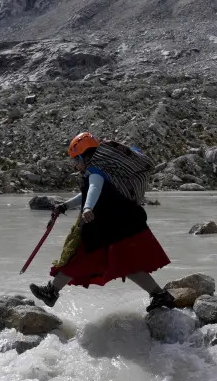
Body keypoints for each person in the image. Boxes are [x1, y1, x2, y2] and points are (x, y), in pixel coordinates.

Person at [30, 132, 176, 313]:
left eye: (76, 159)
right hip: (121, 227)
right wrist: (65, 206)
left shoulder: (96, 173)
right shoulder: (101, 172)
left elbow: (93, 189)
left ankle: (51, 292)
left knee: (77, 258)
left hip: (106, 230)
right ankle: (160, 295)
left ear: (85, 156)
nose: (75, 164)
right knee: (128, 266)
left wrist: (87, 209)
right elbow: (85, 194)